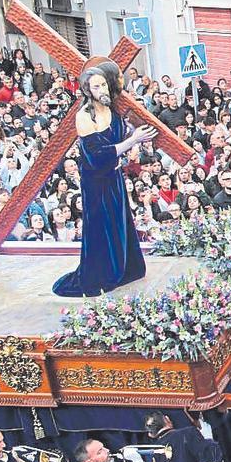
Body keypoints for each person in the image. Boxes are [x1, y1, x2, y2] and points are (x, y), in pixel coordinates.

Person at [53, 59, 157, 296]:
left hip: (114, 178)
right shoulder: (84, 117)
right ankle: (103, 273)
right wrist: (133, 140)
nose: (101, 90)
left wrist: (134, 137)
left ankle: (125, 268)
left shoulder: (113, 111)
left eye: (103, 85)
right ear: (87, 91)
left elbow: (118, 141)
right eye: (96, 87)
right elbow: (97, 156)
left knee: (119, 221)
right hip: (95, 182)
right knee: (102, 225)